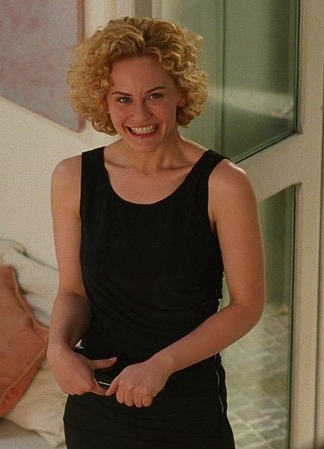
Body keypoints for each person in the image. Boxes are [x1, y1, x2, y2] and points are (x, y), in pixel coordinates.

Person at [46, 16, 266, 449]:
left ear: (181, 93)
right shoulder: (72, 179)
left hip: (186, 410)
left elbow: (247, 306)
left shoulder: (224, 185)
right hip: (97, 407)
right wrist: (57, 349)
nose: (140, 115)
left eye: (155, 96)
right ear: (103, 101)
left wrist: (160, 365)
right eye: (123, 99)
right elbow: (73, 291)